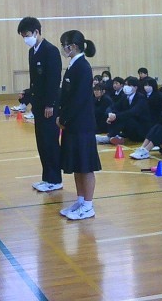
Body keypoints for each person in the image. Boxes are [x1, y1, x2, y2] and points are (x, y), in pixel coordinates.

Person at [56, 30, 101, 220]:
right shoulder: (73, 65)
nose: (63, 48)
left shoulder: (83, 67)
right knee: (76, 164)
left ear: (73, 46)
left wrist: (64, 119)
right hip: (72, 125)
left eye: (64, 45)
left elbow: (79, 99)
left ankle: (88, 206)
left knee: (85, 166)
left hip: (82, 125)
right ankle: (81, 201)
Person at [17, 16, 63, 193]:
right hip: (38, 105)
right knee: (42, 142)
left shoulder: (51, 50)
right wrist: (28, 96)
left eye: (27, 35)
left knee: (50, 142)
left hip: (49, 106)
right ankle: (47, 177)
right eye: (23, 36)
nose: (25, 39)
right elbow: (36, 81)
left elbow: (53, 79)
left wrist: (50, 104)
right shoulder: (32, 52)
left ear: (36, 32)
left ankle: (55, 179)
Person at [97, 76, 153, 145]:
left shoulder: (141, 98)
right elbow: (113, 107)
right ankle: (113, 136)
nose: (126, 87)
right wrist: (110, 114)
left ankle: (110, 137)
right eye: (126, 84)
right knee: (114, 115)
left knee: (125, 117)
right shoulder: (125, 96)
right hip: (130, 128)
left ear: (135, 87)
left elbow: (132, 112)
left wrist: (115, 116)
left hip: (141, 129)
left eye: (129, 85)